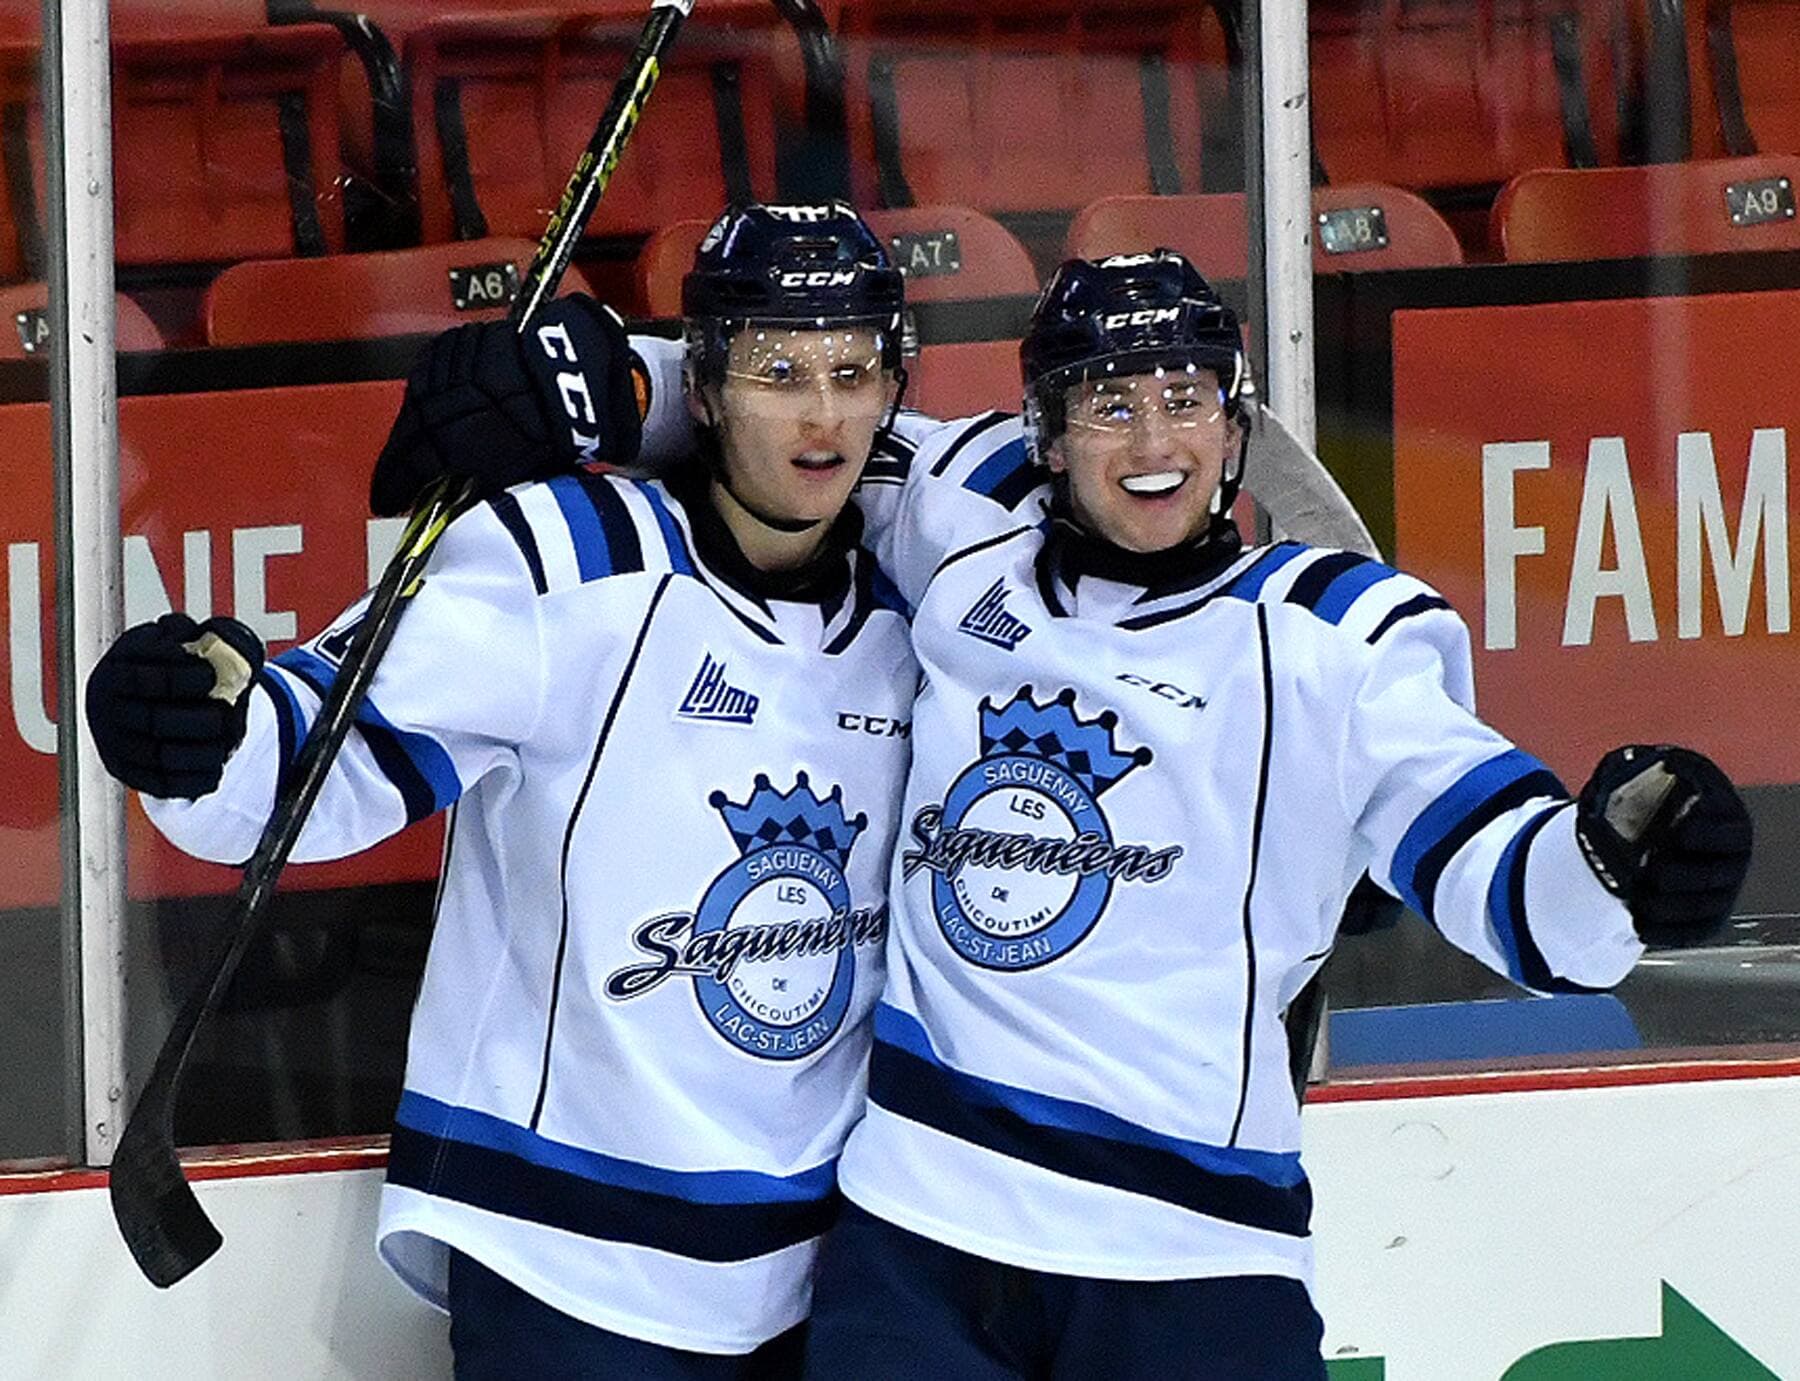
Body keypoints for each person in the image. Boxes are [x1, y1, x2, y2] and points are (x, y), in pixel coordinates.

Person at [792, 250, 1755, 1378]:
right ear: (1046, 438)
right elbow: (789, 412)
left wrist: (1619, 864)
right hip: (920, 1233)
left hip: (1190, 1260)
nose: (1155, 444)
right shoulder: (967, 527)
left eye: (1185, 399)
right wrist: (621, 380)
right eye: (1110, 406)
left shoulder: (1331, 639)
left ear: (1234, 419)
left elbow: (1512, 882)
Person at [83, 202, 919, 1378]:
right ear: (714, 390)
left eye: (853, 370)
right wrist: (197, 738)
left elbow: (1097, 459)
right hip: (565, 1261)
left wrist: (620, 378)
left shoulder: (924, 597)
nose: (823, 412)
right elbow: (318, 761)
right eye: (777, 370)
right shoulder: (564, 559)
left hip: (819, 1276)